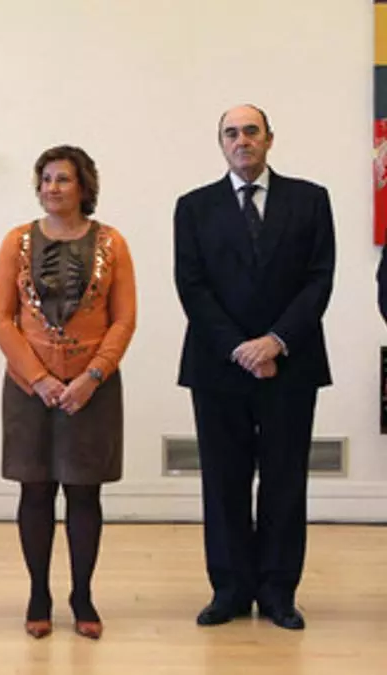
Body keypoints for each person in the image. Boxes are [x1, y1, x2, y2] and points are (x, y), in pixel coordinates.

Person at [174, 105, 335, 631]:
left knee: (285, 481)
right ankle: (229, 589)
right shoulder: (194, 207)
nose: (241, 140)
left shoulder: (310, 200)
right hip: (218, 365)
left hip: (292, 362)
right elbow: (192, 286)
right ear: (220, 143)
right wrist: (241, 349)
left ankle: (278, 591)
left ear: (269, 139)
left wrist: (274, 342)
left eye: (251, 131)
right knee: (224, 481)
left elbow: (319, 280)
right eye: (231, 133)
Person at [0, 145, 136, 641]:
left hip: (92, 390)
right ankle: (38, 593)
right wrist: (40, 378)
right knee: (35, 489)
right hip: (28, 389)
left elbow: (124, 320)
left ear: (84, 186)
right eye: (46, 179)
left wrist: (92, 376)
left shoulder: (113, 243)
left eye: (63, 179)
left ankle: (82, 595)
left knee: (84, 491)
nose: (52, 188)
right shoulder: (16, 242)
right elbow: (1, 319)